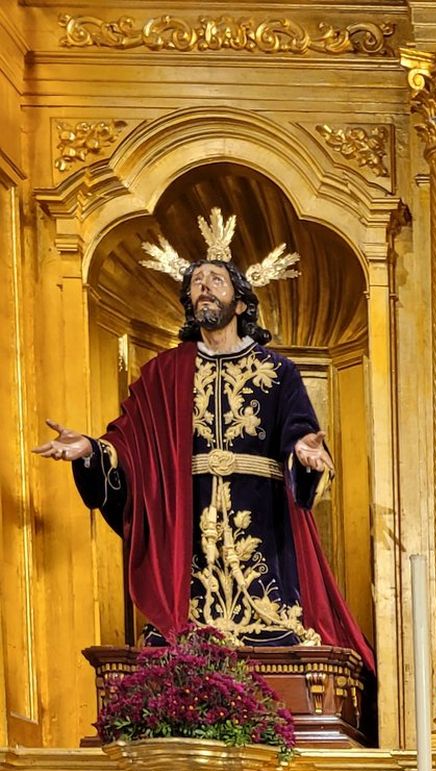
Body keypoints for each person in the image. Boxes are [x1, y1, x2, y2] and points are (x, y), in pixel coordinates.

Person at [34, 212, 372, 664]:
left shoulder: (277, 370)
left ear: (240, 300)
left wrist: (304, 453)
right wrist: (94, 451)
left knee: (272, 616)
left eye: (215, 279)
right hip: (189, 511)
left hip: (263, 513)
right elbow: (133, 438)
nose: (204, 287)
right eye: (195, 283)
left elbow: (299, 431)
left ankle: (270, 629)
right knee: (186, 615)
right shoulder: (165, 371)